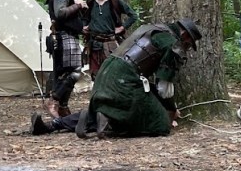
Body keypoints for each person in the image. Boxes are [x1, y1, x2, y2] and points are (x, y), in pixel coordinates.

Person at [30, 18, 201, 138]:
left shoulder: (152, 28)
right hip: (124, 79)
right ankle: (110, 125)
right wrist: (171, 110)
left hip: (107, 71)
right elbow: (164, 88)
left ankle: (52, 125)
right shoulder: (172, 45)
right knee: (160, 124)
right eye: (188, 43)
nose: (186, 47)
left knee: (106, 108)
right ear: (185, 35)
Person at [44, 0, 88, 118]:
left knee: (66, 73)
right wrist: (78, 5)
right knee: (73, 72)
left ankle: (62, 107)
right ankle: (53, 101)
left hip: (68, 36)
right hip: (64, 37)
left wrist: (82, 27)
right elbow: (60, 13)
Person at [83, 0, 138, 78]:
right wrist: (85, 26)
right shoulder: (91, 2)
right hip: (94, 44)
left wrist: (122, 27)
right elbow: (85, 19)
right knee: (95, 75)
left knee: (111, 74)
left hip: (110, 44)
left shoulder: (115, 1)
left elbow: (133, 16)